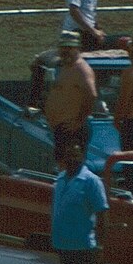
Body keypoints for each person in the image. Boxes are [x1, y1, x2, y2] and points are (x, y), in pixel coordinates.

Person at [51, 143, 107, 264]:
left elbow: (102, 214)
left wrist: (100, 247)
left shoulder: (91, 181)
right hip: (63, 247)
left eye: (75, 155)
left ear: (83, 157)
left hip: (83, 249)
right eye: (68, 156)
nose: (71, 159)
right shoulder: (60, 179)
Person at [43, 29, 97, 165]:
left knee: (70, 168)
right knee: (62, 168)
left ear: (77, 48)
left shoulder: (81, 69)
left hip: (73, 130)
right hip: (61, 128)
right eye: (63, 48)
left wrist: (78, 121)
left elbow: (92, 95)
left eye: (69, 48)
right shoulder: (64, 67)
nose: (65, 51)